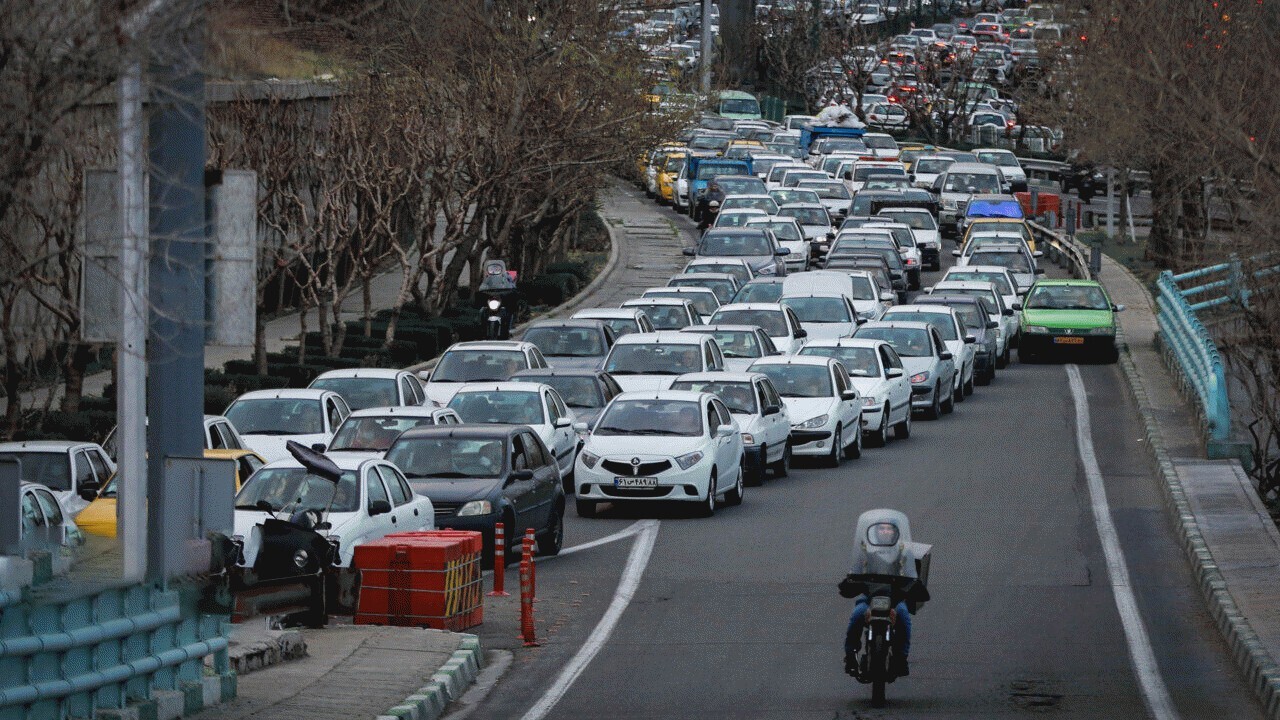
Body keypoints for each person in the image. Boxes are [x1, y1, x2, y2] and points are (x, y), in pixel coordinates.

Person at [844, 514, 917, 677]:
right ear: (875, 531)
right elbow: (853, 574)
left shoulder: (903, 552)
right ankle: (850, 656)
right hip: (869, 598)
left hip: (895, 598)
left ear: (895, 531)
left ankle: (901, 658)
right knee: (856, 616)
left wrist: (901, 597)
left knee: (904, 617)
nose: (885, 531)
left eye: (889, 528)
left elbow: (911, 578)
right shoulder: (865, 550)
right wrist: (849, 582)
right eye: (882, 528)